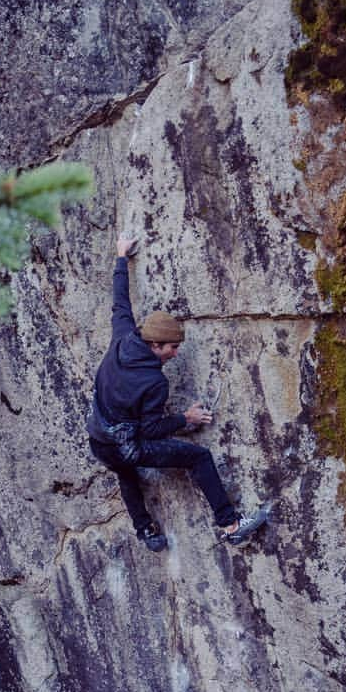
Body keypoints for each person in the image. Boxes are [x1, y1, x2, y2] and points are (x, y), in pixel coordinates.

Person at [87, 233, 269, 552]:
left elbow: (120, 301)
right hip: (125, 444)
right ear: (154, 345)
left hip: (99, 440)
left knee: (124, 470)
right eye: (172, 348)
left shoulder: (123, 337)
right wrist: (187, 418)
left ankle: (145, 530)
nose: (175, 353)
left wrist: (120, 257)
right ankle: (231, 525)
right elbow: (150, 429)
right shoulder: (154, 383)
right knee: (198, 457)